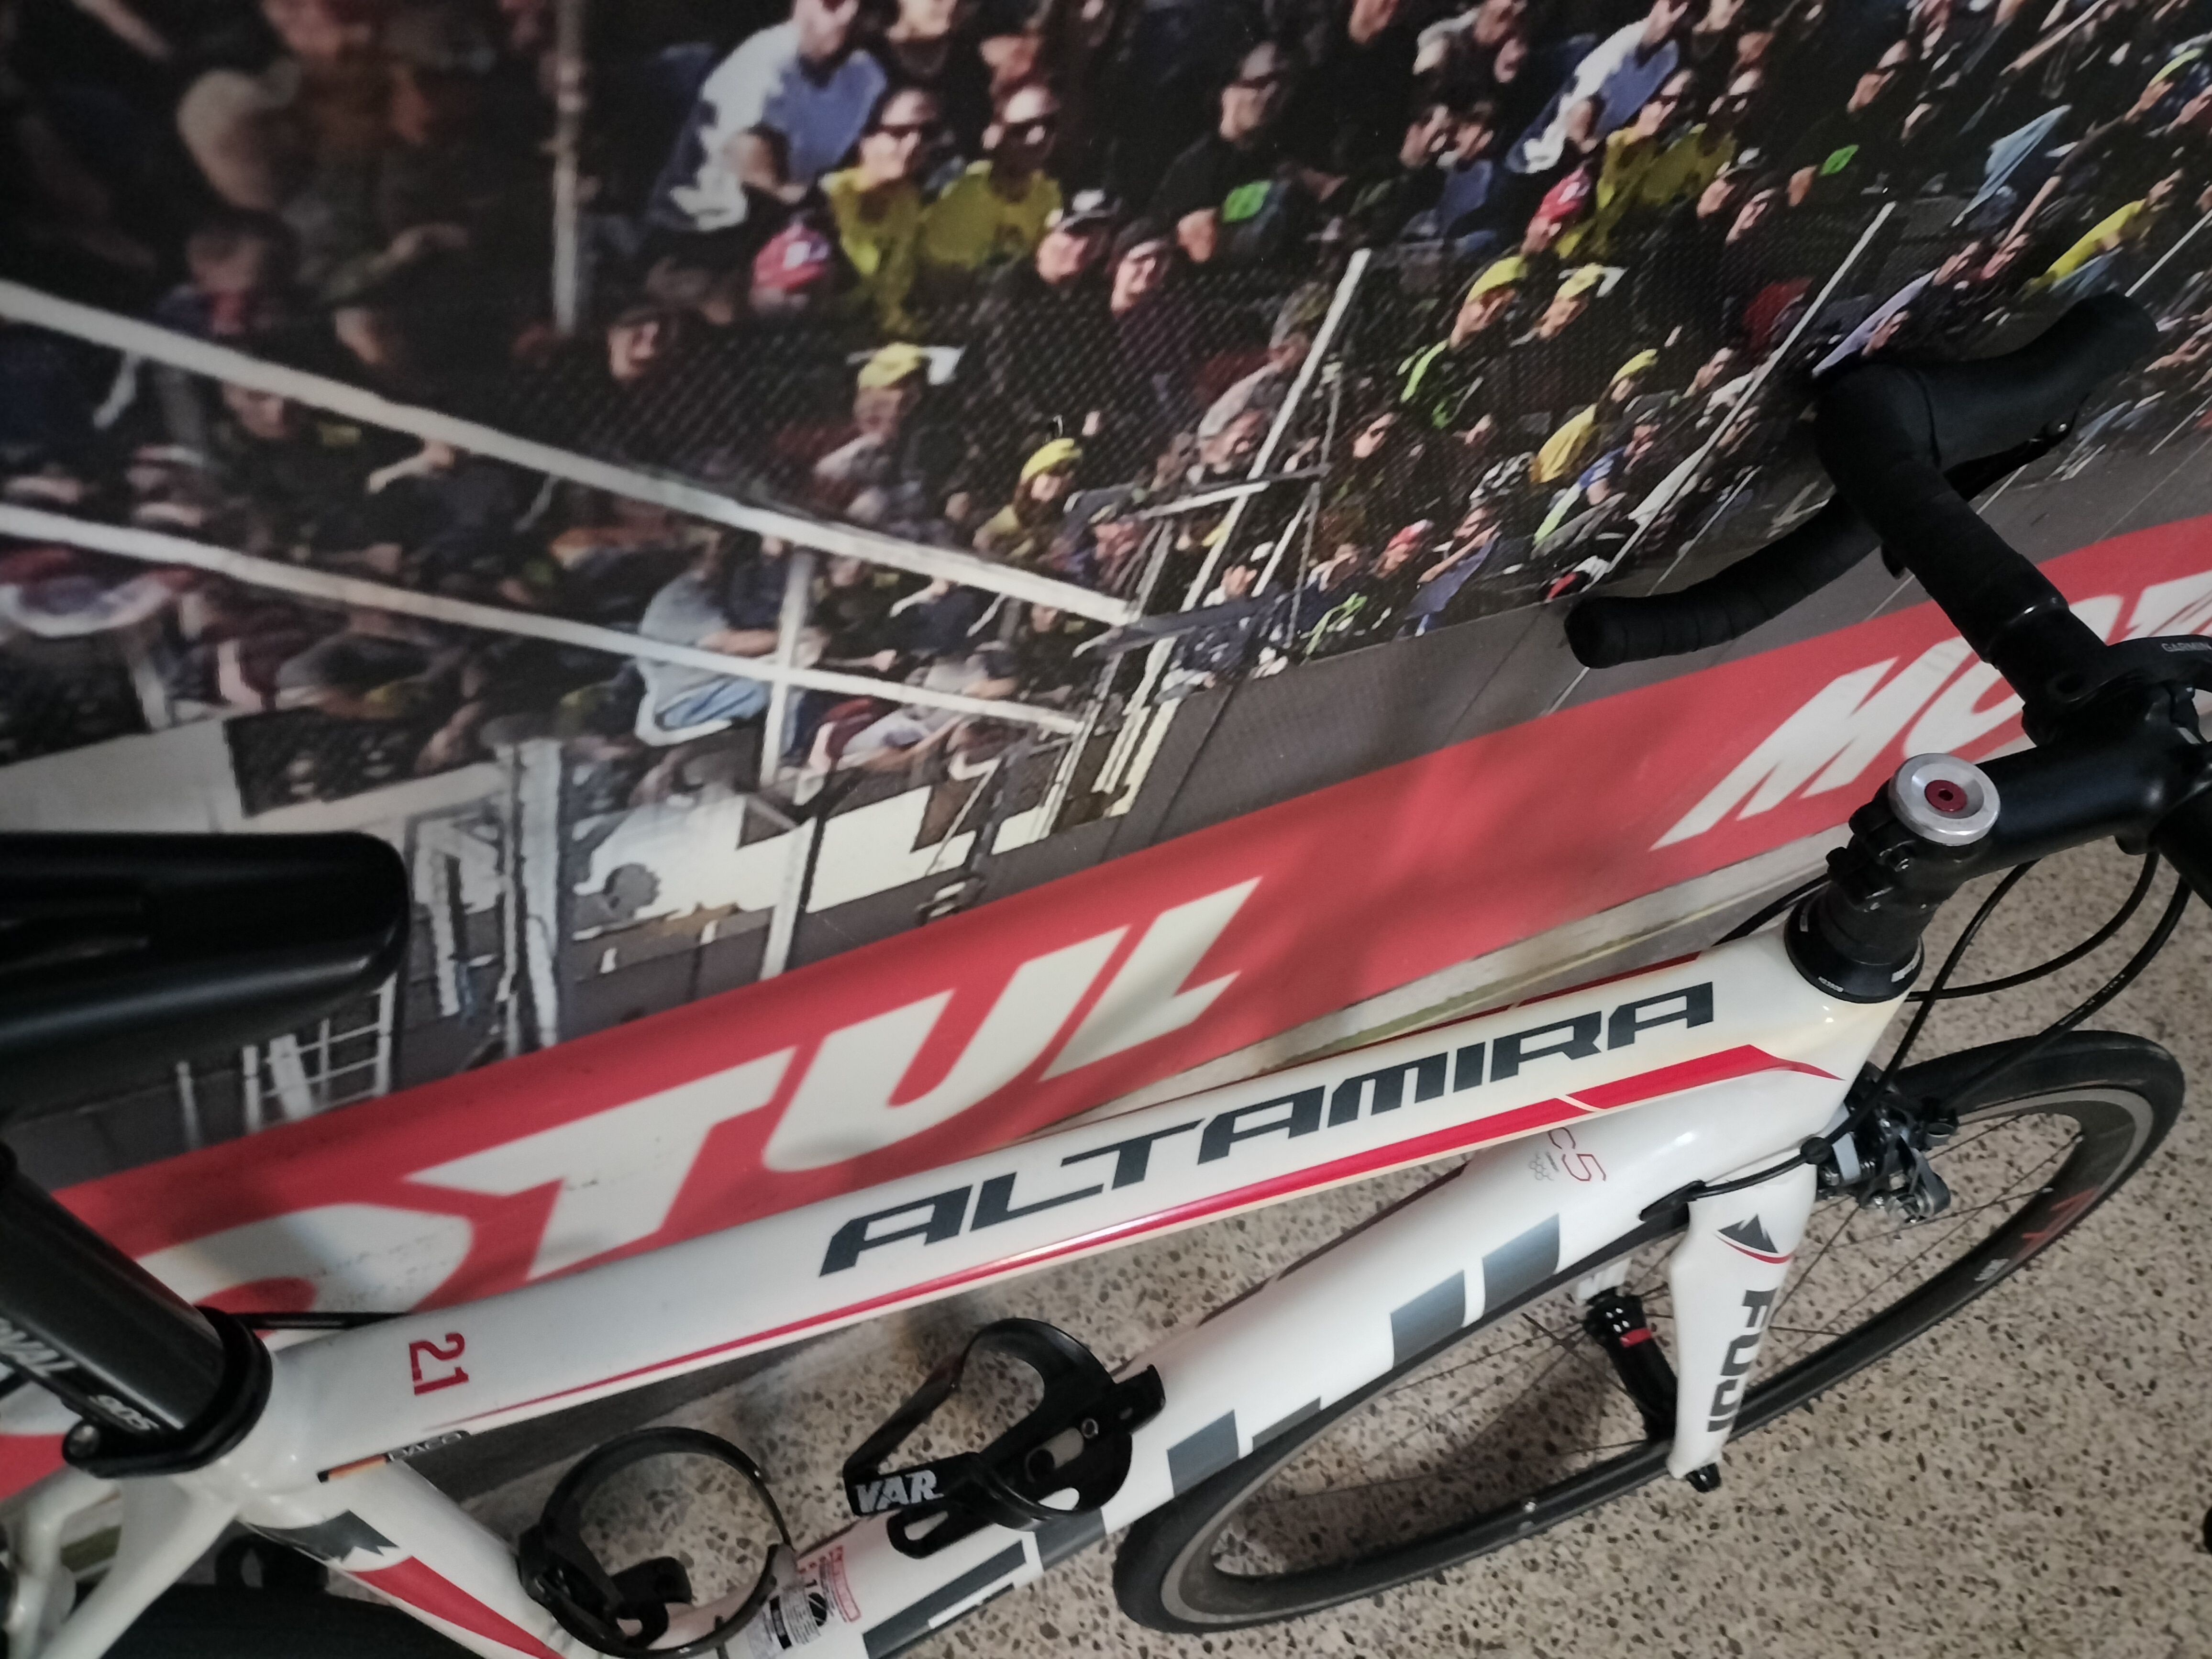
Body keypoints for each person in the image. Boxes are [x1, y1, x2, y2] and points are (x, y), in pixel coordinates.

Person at [659, 0, 886, 235]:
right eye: (833, 3)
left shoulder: (866, 77)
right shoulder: (766, 63)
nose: (849, 17)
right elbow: (749, 159)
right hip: (702, 234)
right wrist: (814, 201)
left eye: (866, 7)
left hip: (794, 231)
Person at [1150, 41, 1324, 266]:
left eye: (1283, 85)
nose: (1272, 94)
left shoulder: (1281, 158)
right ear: (1228, 90)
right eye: (1262, 82)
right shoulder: (1192, 168)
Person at [918, 80, 1064, 296]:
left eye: (1049, 124)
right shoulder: (961, 196)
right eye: (1022, 129)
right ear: (994, 134)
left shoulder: (1048, 193)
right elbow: (938, 284)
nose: (1039, 137)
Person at [823, 85, 939, 335]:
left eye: (927, 133)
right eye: (899, 132)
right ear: (865, 138)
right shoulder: (829, 198)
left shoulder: (911, 203)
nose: (915, 143)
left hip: (892, 335)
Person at [1398, 255, 1524, 432]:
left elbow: (1492, 409)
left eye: (1501, 308)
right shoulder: (1419, 328)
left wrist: (1488, 423)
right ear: (1469, 297)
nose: (1490, 314)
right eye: (1486, 302)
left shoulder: (1493, 360)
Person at [974, 437, 1080, 564]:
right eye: (1055, 473)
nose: (1060, 483)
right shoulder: (1003, 514)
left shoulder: (1059, 526)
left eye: (1068, 476)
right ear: (1032, 477)